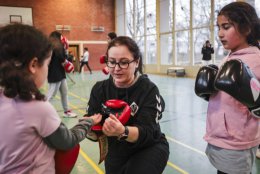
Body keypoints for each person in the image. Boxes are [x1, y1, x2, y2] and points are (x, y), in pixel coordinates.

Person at [0, 23, 102, 174]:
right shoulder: (37, 107)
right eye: (47, 64)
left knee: (63, 92)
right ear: (34, 65)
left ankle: (67, 109)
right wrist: (89, 121)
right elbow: (68, 141)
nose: (47, 68)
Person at [85, 36, 169, 174]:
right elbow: (95, 133)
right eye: (112, 62)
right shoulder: (99, 90)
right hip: (117, 149)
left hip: (148, 147)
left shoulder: (148, 89)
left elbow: (148, 132)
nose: (116, 68)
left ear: (136, 62)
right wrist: (88, 128)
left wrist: (122, 131)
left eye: (124, 63)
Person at [195, 2, 260, 174]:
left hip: (237, 142)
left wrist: (256, 103)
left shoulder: (256, 60)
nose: (220, 34)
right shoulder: (229, 58)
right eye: (219, 27)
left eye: (226, 27)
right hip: (221, 137)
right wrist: (210, 93)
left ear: (246, 28)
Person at [47, 31, 77, 117]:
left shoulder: (59, 47)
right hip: (54, 74)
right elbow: (49, 60)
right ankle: (42, 112)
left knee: (64, 92)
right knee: (51, 94)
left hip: (61, 73)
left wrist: (65, 49)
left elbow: (63, 58)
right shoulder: (50, 47)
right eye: (61, 37)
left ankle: (67, 111)